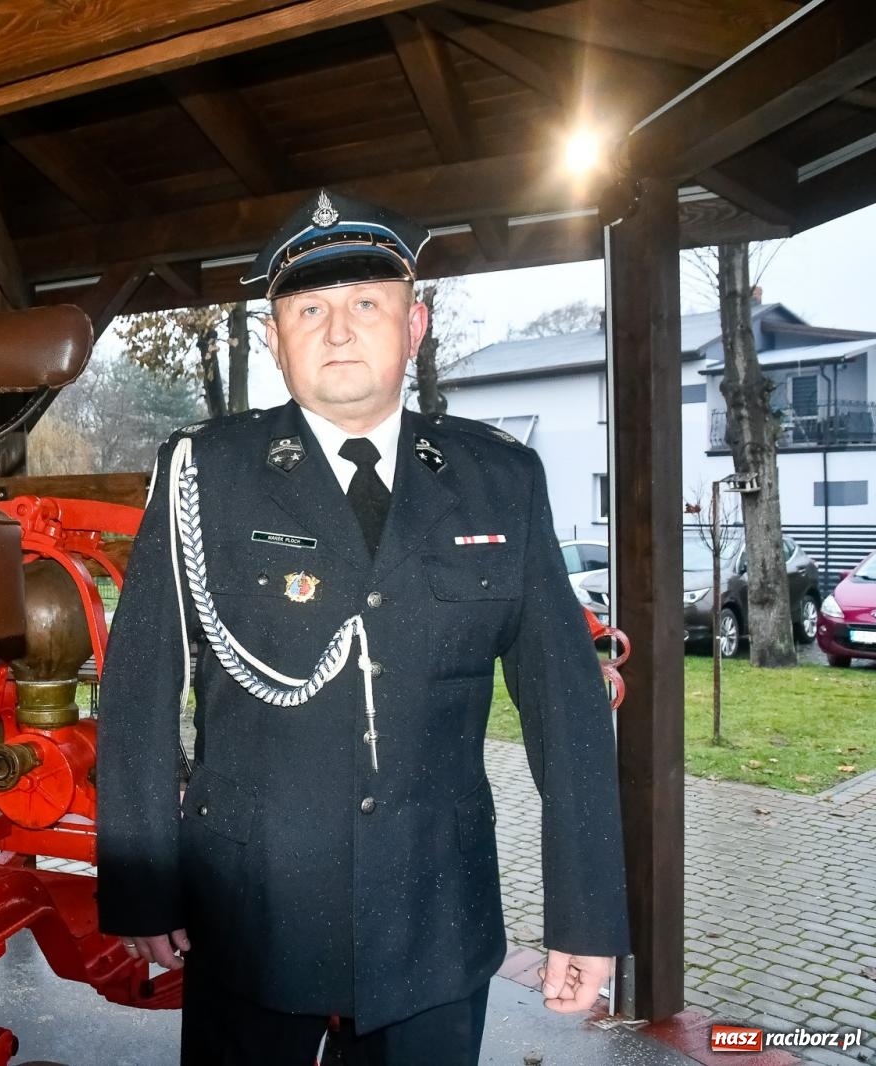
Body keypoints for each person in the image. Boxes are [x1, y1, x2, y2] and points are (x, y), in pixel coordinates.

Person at [94, 190, 630, 1066]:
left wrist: (588, 917)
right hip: (249, 916)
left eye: (366, 304)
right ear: (274, 339)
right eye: (309, 309)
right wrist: (145, 888)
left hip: (434, 921)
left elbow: (569, 719)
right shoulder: (204, 474)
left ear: (414, 325)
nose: (338, 330)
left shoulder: (501, 481)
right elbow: (141, 687)